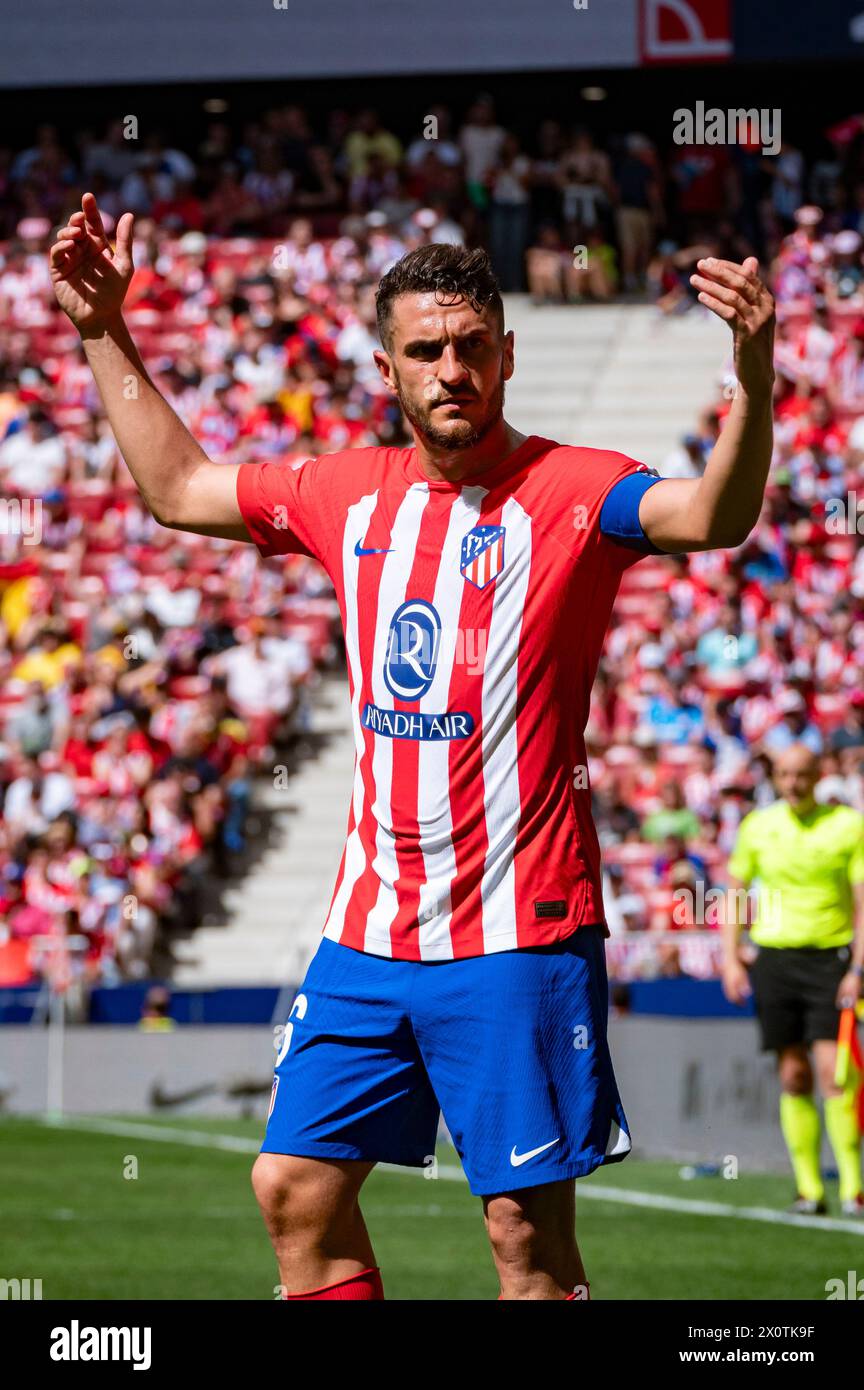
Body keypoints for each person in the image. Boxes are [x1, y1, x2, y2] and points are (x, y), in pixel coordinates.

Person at [50, 192, 775, 1301]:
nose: (452, 369)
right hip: (368, 931)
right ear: (387, 369)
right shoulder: (345, 491)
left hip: (516, 934)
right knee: (293, 1187)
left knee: (524, 1242)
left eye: (472, 346)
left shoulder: (580, 490)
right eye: (425, 350)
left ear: (508, 354)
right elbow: (176, 488)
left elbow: (714, 517)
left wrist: (753, 376)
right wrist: (104, 327)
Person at [722, 744, 864, 1216]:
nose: (793, 783)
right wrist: (730, 959)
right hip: (776, 962)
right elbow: (735, 894)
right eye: (784, 774)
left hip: (832, 961)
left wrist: (859, 967)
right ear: (776, 777)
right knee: (793, 1073)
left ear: (818, 775)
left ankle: (852, 1186)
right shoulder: (757, 826)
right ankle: (809, 1189)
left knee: (836, 1073)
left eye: (801, 774)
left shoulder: (848, 825)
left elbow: (862, 902)